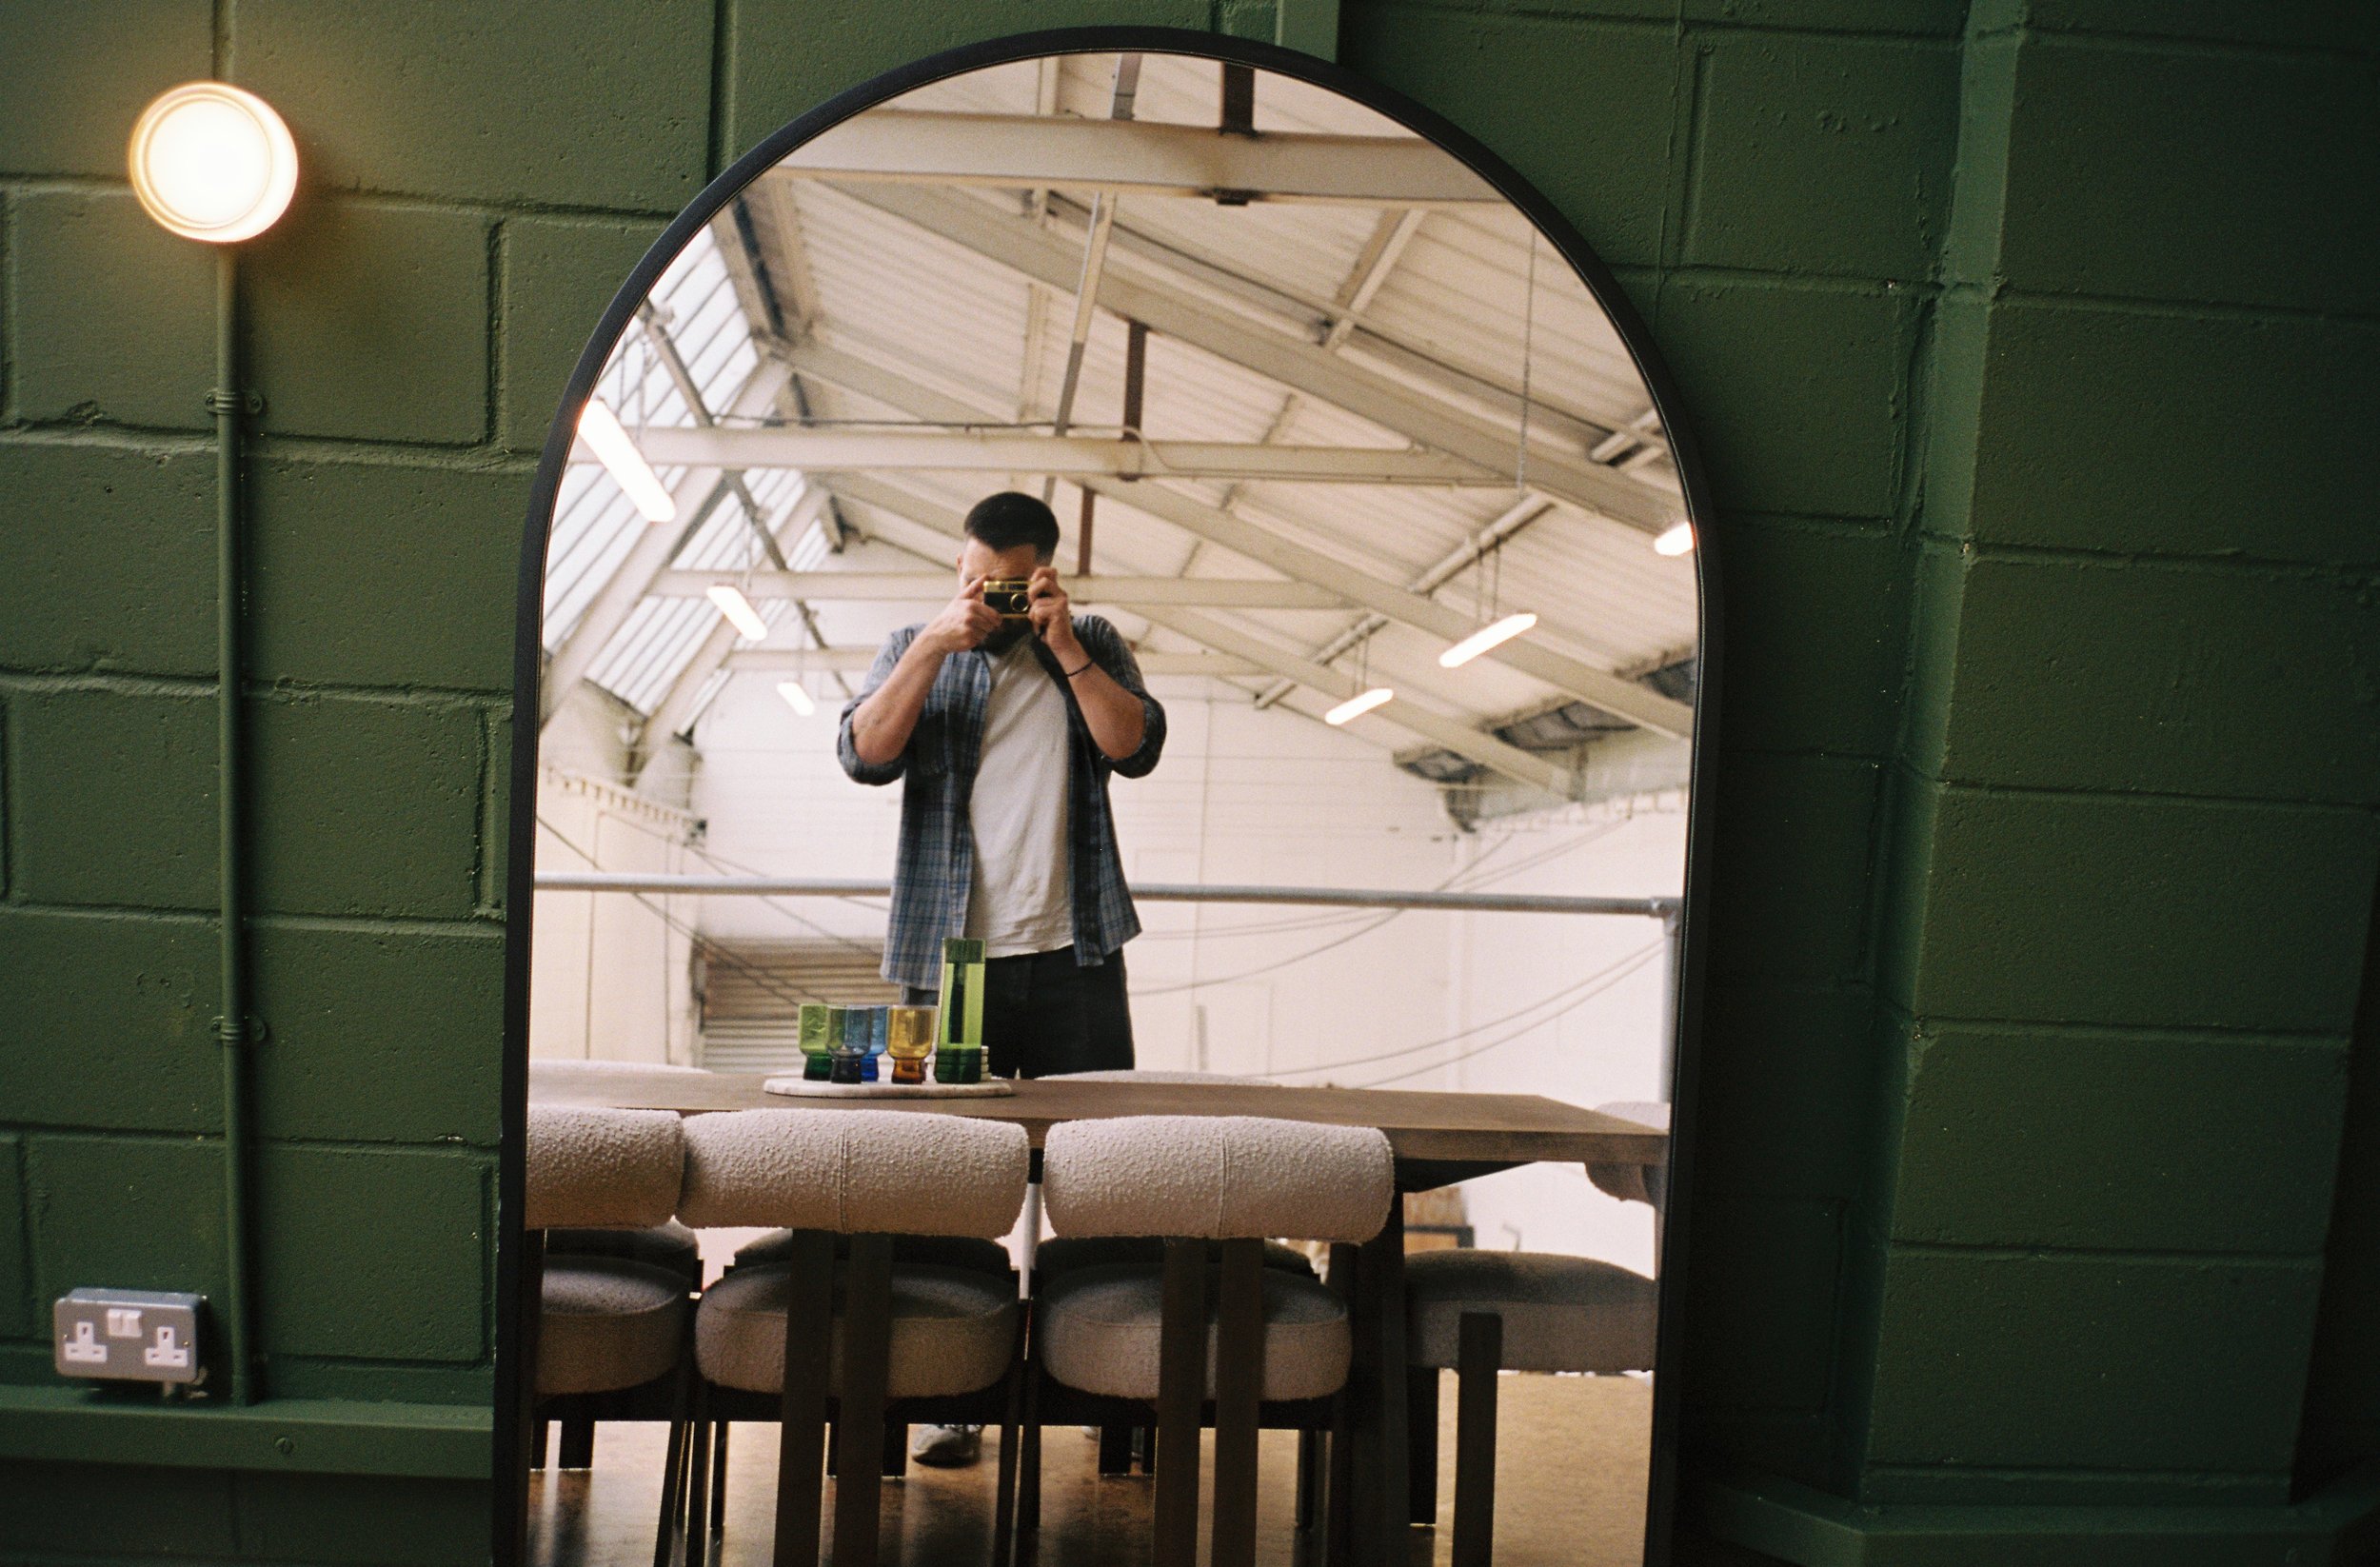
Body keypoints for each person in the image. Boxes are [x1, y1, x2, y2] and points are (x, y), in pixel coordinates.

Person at [838, 491, 1167, 1467]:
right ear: (958, 562)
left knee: (1109, 1185)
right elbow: (863, 753)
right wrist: (936, 643)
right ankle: (946, 1398)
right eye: (976, 575)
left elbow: (1134, 747)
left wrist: (1065, 645)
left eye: (1010, 580)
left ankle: (1119, 1410)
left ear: (1048, 572)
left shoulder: (1093, 638)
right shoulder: (914, 641)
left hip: (1074, 951)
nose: (991, 593)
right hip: (951, 961)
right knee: (937, 1184)